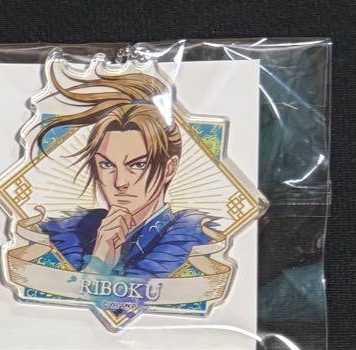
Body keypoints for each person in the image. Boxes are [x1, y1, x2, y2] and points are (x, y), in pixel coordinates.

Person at [35, 71, 220, 280]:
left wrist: (99, 268)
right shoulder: (71, 236)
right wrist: (99, 261)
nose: (120, 182)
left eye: (138, 165)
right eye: (107, 164)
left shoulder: (189, 243)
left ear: (169, 169)